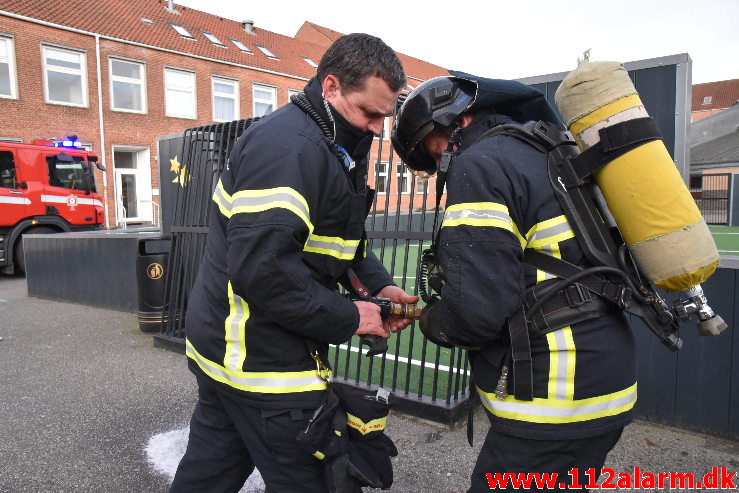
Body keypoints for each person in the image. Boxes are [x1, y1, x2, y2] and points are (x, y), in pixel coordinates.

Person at [171, 33, 416, 493]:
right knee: (317, 481)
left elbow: (341, 238)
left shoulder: (334, 138)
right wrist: (351, 316)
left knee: (208, 476)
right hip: (262, 364)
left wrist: (377, 287)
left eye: (385, 116)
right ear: (331, 87)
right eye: (369, 112)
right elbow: (262, 274)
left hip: (230, 355)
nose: (377, 129)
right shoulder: (289, 149)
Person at [391, 74, 637, 491]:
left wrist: (433, 319)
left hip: (552, 401)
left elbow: (475, 312)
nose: (436, 165)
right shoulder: (543, 149)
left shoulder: (481, 163)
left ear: (453, 123)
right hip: (606, 381)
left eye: (429, 150)